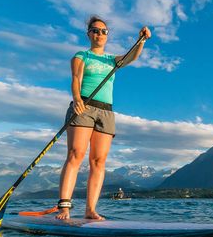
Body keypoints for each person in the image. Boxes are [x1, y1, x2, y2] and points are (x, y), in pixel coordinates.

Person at [56, 16, 151, 220]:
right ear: (89, 34)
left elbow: (131, 57)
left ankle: (90, 210)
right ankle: (64, 207)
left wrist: (141, 40)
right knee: (76, 154)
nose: (99, 34)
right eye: (95, 30)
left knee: (98, 161)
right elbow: (76, 79)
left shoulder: (112, 60)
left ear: (107, 36)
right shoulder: (81, 56)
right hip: (84, 106)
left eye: (103, 31)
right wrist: (76, 99)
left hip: (106, 112)